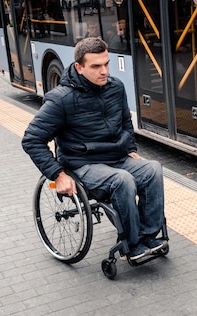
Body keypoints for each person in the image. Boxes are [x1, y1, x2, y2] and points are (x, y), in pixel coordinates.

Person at [21, 37, 166, 260]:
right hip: (83, 164)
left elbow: (125, 121)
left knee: (153, 169)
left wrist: (129, 148)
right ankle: (132, 243)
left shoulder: (115, 87)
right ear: (79, 67)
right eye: (96, 66)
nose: (104, 71)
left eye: (106, 64)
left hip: (117, 157)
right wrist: (57, 175)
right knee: (122, 179)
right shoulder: (61, 99)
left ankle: (148, 236)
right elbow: (31, 140)